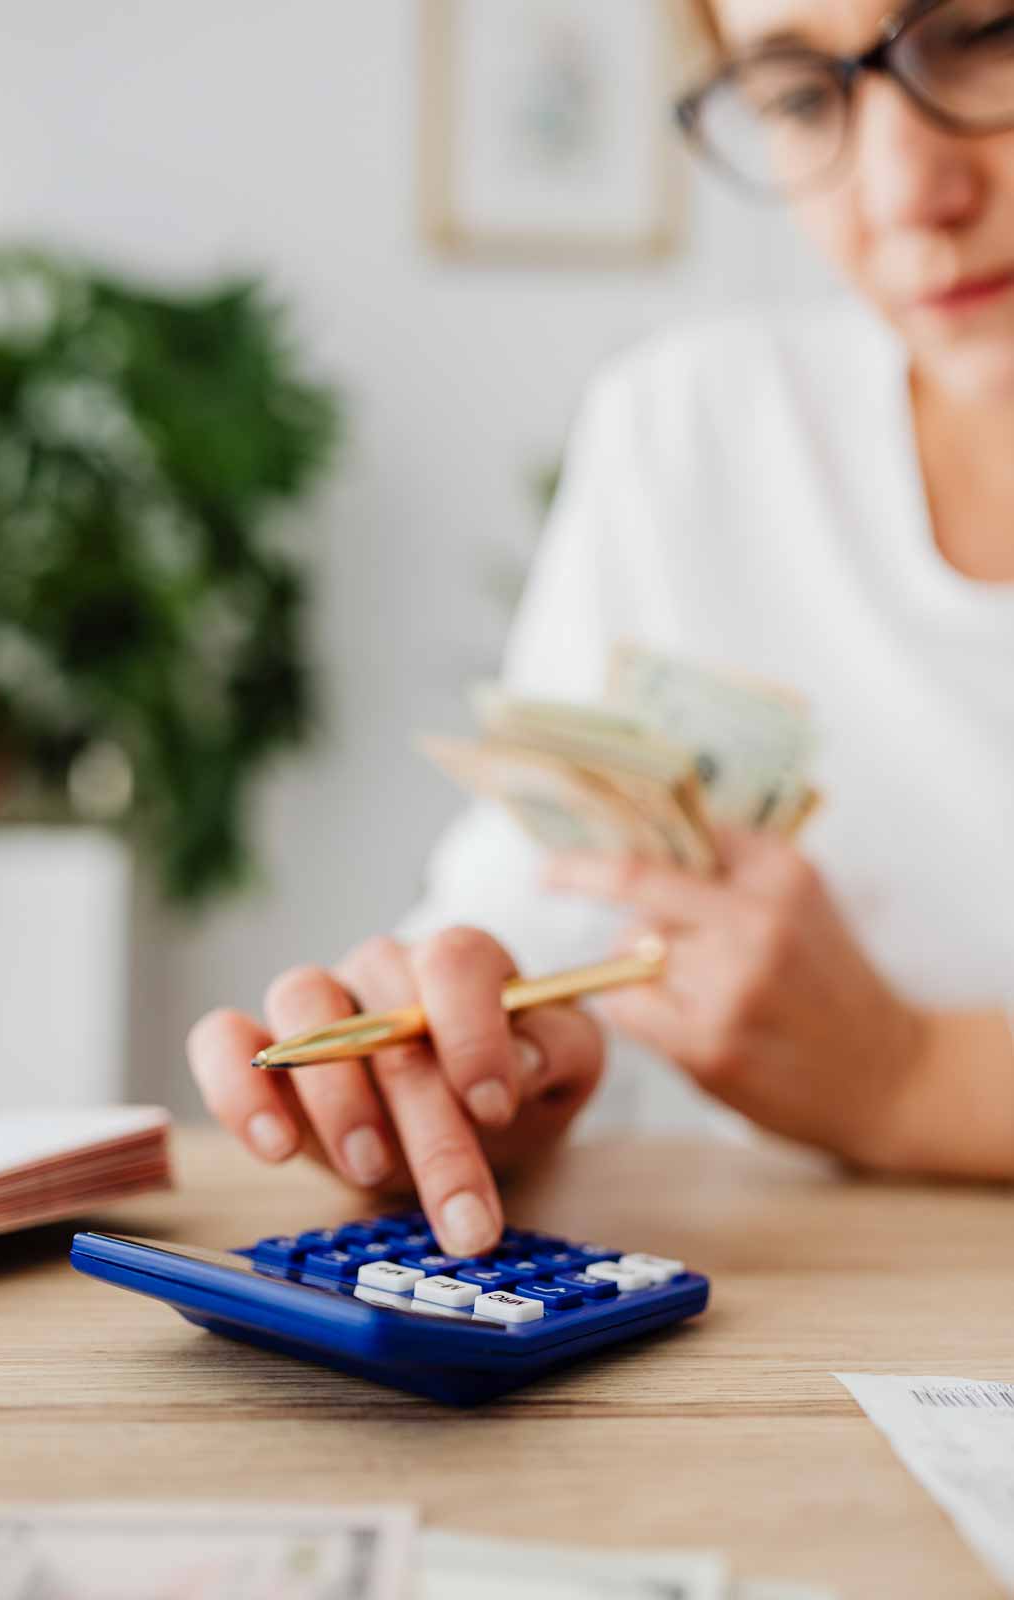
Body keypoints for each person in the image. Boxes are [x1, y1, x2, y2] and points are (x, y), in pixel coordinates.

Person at [188, 0, 1014, 1261]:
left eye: (983, 33)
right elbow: (544, 903)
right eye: (799, 96)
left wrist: (906, 1078)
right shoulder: (693, 431)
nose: (908, 190)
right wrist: (478, 1047)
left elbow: (888, 1076)